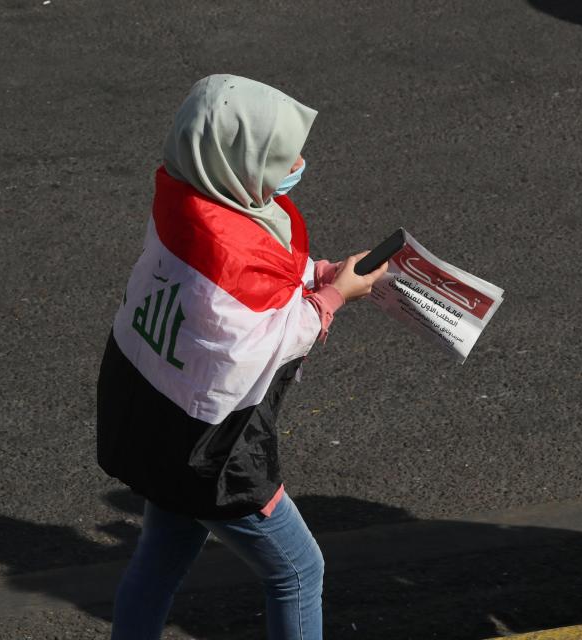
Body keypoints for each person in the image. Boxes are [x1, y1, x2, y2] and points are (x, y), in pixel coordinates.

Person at [96, 74, 388, 640]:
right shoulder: (226, 253)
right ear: (235, 159)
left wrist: (315, 275)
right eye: (281, 154)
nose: (298, 162)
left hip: (151, 422)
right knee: (299, 571)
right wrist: (331, 297)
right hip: (210, 448)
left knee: (159, 561)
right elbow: (258, 344)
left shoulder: (188, 196)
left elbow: (256, 284)